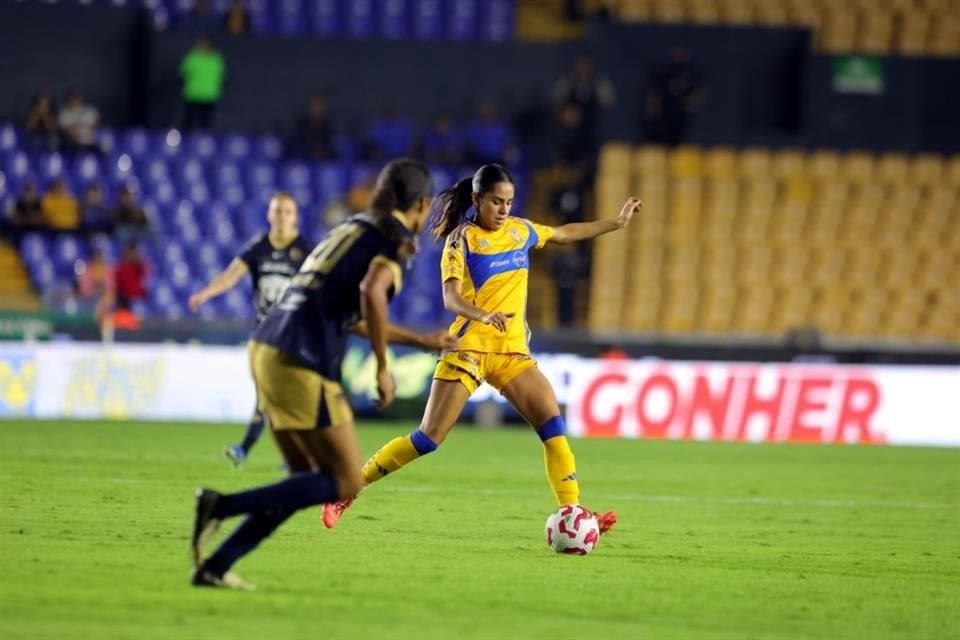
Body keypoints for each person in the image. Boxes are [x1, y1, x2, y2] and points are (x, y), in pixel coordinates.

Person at [322, 164, 643, 532]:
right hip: (468, 349)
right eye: (496, 202)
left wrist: (615, 223)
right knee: (428, 438)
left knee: (553, 425)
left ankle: (573, 514)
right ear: (477, 199)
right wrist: (482, 314)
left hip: (511, 353)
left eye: (509, 202)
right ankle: (347, 489)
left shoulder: (521, 231)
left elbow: (563, 234)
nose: (504, 209)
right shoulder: (462, 240)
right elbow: (451, 298)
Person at [189, 159, 458, 589]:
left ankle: (216, 567)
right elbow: (372, 293)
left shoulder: (352, 228)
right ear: (423, 204)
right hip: (301, 359)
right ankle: (219, 506)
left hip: (266, 347)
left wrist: (421, 341)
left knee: (305, 479)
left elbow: (347, 312)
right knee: (345, 479)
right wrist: (384, 367)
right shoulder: (395, 242)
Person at [189, 192, 313, 468]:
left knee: (281, 394)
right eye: (277, 211)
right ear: (269, 215)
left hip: (293, 334)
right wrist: (205, 294)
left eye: (287, 212)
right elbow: (230, 276)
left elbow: (320, 284)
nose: (282, 217)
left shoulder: (305, 250)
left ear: (295, 217)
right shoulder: (258, 248)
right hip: (263, 334)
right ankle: (288, 454)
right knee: (268, 394)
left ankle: (252, 450)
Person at [644, 47, 705, 147]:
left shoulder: (689, 73)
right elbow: (654, 93)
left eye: (682, 53)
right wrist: (653, 108)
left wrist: (692, 101)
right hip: (664, 116)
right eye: (677, 52)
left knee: (679, 143)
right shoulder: (665, 71)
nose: (679, 55)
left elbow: (698, 92)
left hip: (680, 117)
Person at [179, 36, 226, 131]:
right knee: (188, 123)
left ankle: (204, 143)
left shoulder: (216, 59)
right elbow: (183, 74)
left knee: (205, 124)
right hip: (192, 95)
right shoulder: (192, 57)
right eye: (200, 44)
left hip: (209, 96)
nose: (202, 46)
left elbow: (221, 76)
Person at [464, 101, 509, 165]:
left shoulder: (501, 127)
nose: (487, 114)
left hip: (498, 161)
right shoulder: (474, 127)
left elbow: (508, 145)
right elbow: (468, 145)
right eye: (485, 112)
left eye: (489, 111)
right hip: (478, 161)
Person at [294, 96, 336, 161]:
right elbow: (299, 141)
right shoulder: (303, 124)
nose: (317, 109)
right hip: (305, 155)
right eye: (315, 107)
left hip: (324, 156)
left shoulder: (327, 125)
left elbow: (329, 142)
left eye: (319, 107)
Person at [113, 242, 148, 310]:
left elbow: (147, 276)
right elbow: (117, 290)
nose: (132, 255)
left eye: (134, 253)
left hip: (139, 301)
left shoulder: (140, 267)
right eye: (130, 252)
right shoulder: (119, 269)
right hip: (125, 303)